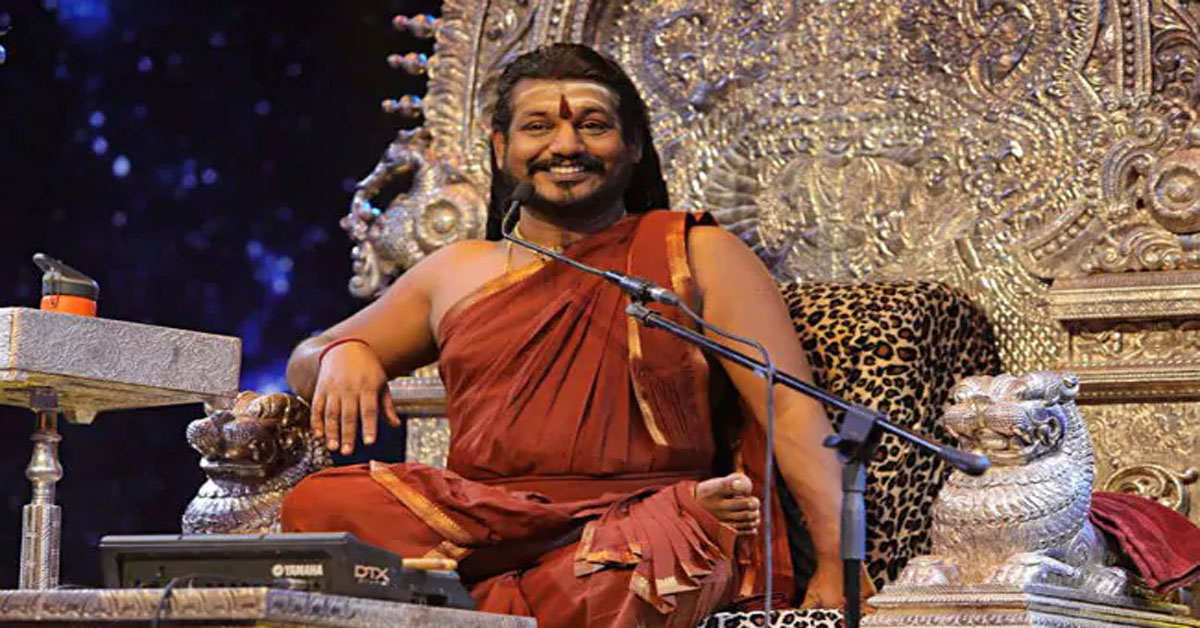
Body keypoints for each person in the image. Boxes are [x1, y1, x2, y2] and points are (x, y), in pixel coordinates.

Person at [281, 43, 845, 626]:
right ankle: (518, 572)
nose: (567, 145)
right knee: (319, 502)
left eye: (593, 125)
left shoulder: (695, 253)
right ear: (500, 147)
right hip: (488, 521)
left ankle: (485, 594)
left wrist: (837, 562)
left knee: (654, 567)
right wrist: (341, 352)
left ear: (634, 146)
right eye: (538, 127)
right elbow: (304, 361)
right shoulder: (456, 270)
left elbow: (791, 408)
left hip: (645, 525)